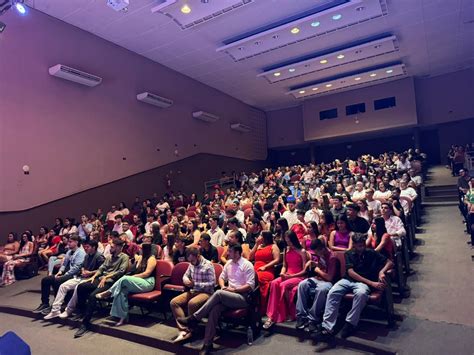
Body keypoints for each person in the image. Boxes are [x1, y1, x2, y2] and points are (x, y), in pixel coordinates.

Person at [177, 244, 255, 354]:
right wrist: (223, 286)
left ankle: (194, 318)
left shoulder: (247, 265)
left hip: (242, 297)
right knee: (214, 311)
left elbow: (250, 285)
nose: (227, 253)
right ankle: (207, 344)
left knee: (218, 293)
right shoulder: (228, 263)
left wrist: (233, 290)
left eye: (230, 251)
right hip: (228, 296)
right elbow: (221, 278)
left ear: (237, 253)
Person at [316, 233, 393, 340]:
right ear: (354, 246)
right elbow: (351, 273)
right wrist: (372, 283)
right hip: (348, 280)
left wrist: (381, 271)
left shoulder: (371, 252)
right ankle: (327, 327)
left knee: (361, 294)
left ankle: (350, 324)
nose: (362, 248)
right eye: (359, 246)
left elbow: (389, 262)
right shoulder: (349, 254)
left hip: (362, 283)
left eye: (363, 245)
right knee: (333, 292)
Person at [73, 238, 129, 338]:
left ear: (119, 247)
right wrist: (94, 276)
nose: (109, 248)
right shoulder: (109, 257)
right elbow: (102, 268)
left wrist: (106, 277)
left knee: (92, 296)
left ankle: (85, 324)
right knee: (81, 287)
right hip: (101, 279)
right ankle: (82, 311)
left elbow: (121, 271)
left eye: (112, 247)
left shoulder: (124, 257)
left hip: (111, 282)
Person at [96, 243, 156, 326]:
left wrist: (133, 276)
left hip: (148, 282)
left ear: (146, 249)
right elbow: (132, 269)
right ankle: (122, 317)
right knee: (121, 291)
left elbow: (147, 273)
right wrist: (136, 262)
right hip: (139, 280)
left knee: (125, 278)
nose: (139, 250)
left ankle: (108, 292)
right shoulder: (141, 258)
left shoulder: (151, 259)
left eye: (141, 248)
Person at [45, 240, 105, 320]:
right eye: (85, 247)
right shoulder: (87, 256)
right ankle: (55, 310)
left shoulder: (99, 257)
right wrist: (83, 270)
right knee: (63, 286)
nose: (85, 248)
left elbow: (102, 270)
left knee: (77, 287)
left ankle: (69, 310)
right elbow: (82, 266)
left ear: (94, 247)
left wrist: (90, 273)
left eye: (88, 247)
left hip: (91, 279)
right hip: (82, 277)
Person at [170, 247, 216, 343]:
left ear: (198, 256)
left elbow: (212, 283)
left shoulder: (208, 265)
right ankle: (184, 329)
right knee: (174, 302)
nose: (191, 262)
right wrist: (186, 280)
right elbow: (186, 275)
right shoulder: (191, 264)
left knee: (192, 303)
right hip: (193, 290)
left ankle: (193, 331)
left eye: (193, 260)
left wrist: (196, 284)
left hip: (206, 292)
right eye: (189, 260)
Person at [263, 231, 307, 329]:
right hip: (288, 274)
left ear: (293, 240)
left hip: (298, 276)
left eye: (290, 241)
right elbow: (284, 266)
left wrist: (289, 277)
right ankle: (271, 315)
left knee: (283, 285)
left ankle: (290, 313)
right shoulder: (286, 249)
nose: (288, 243)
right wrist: (282, 273)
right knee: (274, 283)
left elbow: (304, 271)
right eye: (287, 241)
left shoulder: (302, 251)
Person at [33, 234, 86, 315]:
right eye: (68, 242)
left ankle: (57, 304)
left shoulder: (81, 253)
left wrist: (65, 274)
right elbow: (64, 264)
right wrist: (60, 272)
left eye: (70, 242)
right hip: (65, 273)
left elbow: (77, 268)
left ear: (76, 242)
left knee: (57, 281)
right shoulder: (69, 252)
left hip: (74, 275)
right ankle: (45, 303)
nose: (68, 243)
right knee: (46, 280)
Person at [295, 238, 337, 332]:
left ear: (322, 249)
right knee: (302, 284)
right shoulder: (320, 254)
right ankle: (301, 316)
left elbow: (330, 277)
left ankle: (313, 319)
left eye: (316, 252)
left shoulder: (332, 257)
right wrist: (314, 263)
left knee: (321, 289)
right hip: (319, 279)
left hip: (328, 282)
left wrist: (317, 270)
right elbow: (320, 265)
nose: (316, 254)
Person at [249, 231, 280, 313]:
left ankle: (259, 305)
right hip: (255, 269)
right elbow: (250, 257)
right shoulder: (259, 246)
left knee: (257, 278)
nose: (259, 237)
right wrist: (256, 244)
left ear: (265, 237)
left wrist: (265, 266)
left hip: (267, 270)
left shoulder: (273, 246)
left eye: (260, 235)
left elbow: (277, 260)